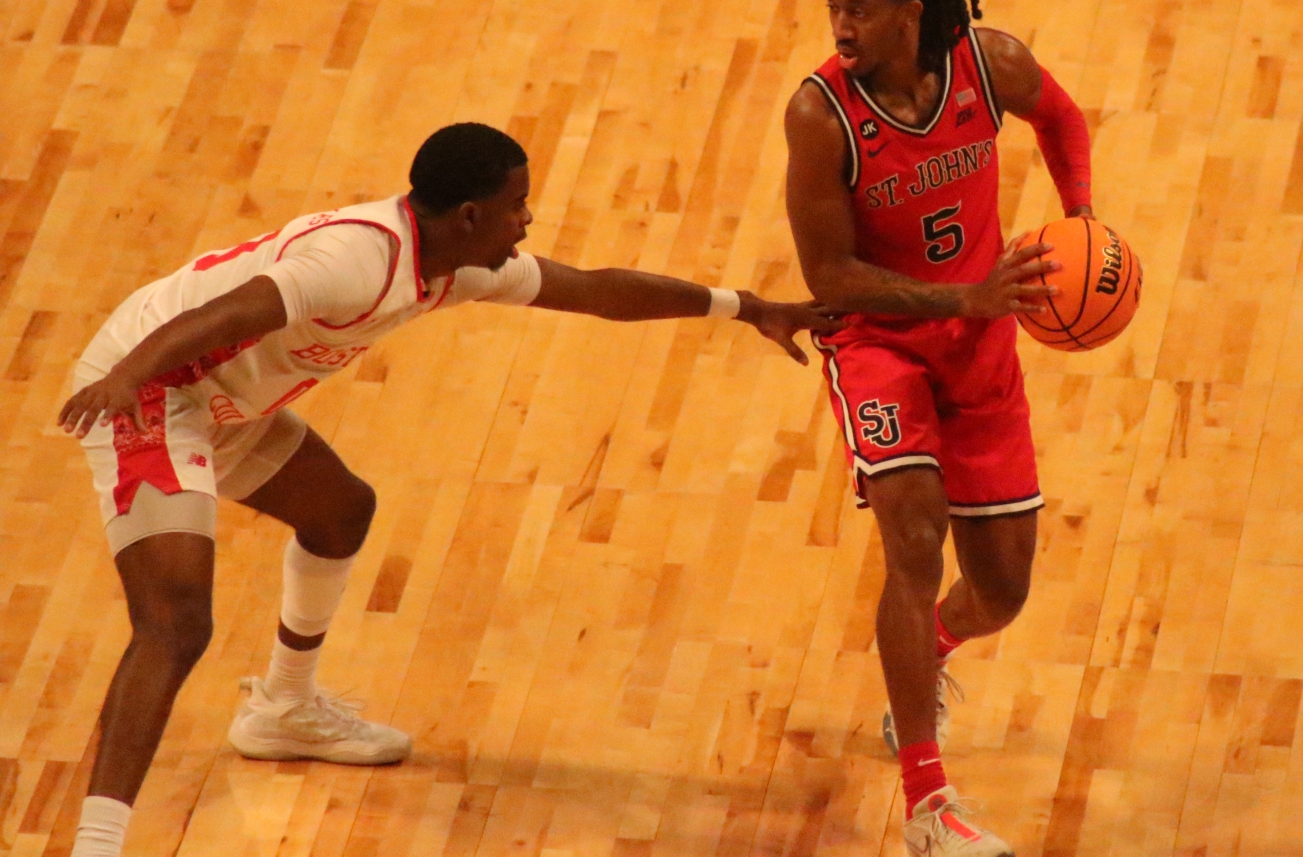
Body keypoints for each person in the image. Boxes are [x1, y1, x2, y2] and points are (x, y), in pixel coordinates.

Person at [57, 122, 832, 857]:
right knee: (176, 623)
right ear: (469, 215)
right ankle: (97, 846)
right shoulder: (355, 260)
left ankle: (284, 708)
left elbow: (597, 291)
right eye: (517, 204)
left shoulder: (454, 266)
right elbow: (229, 310)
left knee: (341, 513)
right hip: (152, 387)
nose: (527, 219)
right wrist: (126, 375)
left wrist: (744, 307)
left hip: (224, 400)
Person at [783, 0, 1094, 857]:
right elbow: (829, 274)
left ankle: (932, 657)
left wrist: (1082, 223)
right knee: (914, 543)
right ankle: (928, 807)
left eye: (858, 9)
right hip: (879, 345)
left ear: (910, 14)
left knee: (1001, 591)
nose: (840, 26)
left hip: (979, 344)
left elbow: (1063, 118)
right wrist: (964, 296)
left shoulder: (988, 66)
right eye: (832, 8)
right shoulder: (820, 116)